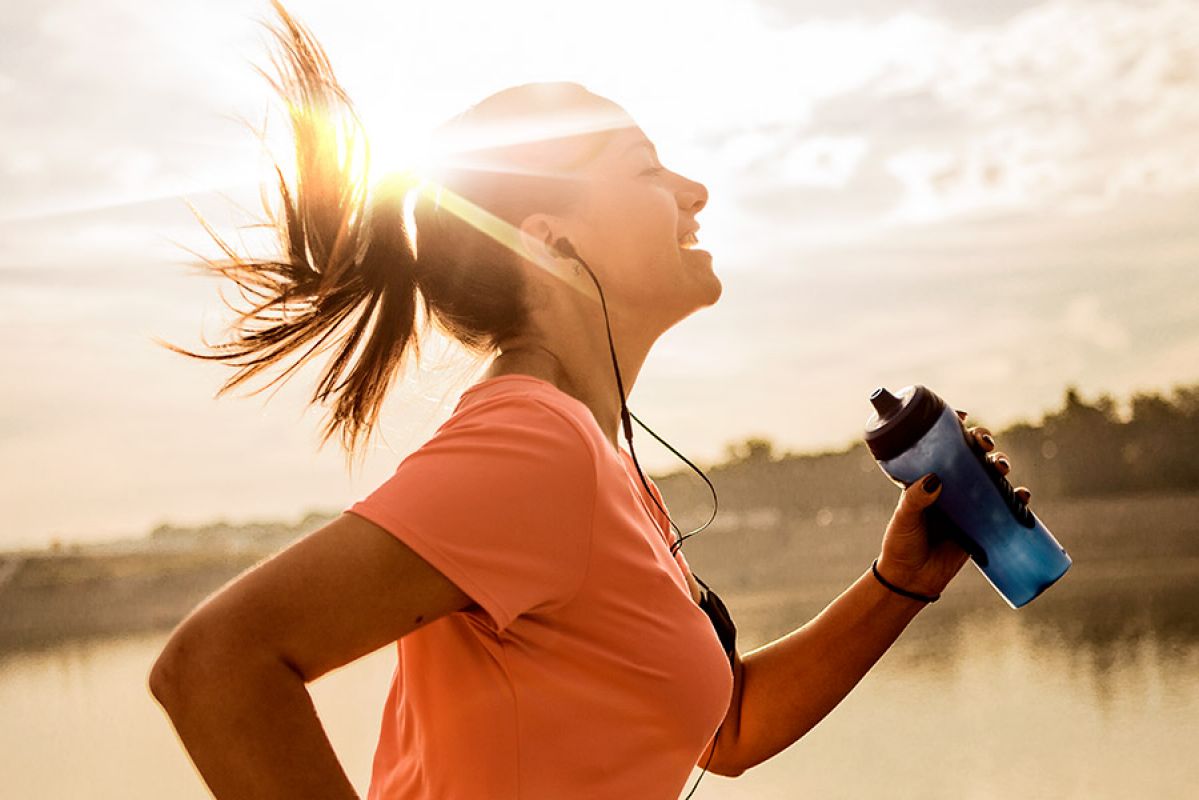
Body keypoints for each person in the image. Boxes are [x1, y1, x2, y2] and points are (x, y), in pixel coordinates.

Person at [147, 3, 1032, 798]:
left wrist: (899, 583)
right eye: (646, 168)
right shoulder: (533, 446)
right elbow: (215, 666)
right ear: (551, 236)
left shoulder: (597, 460)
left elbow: (725, 731)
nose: (695, 191)